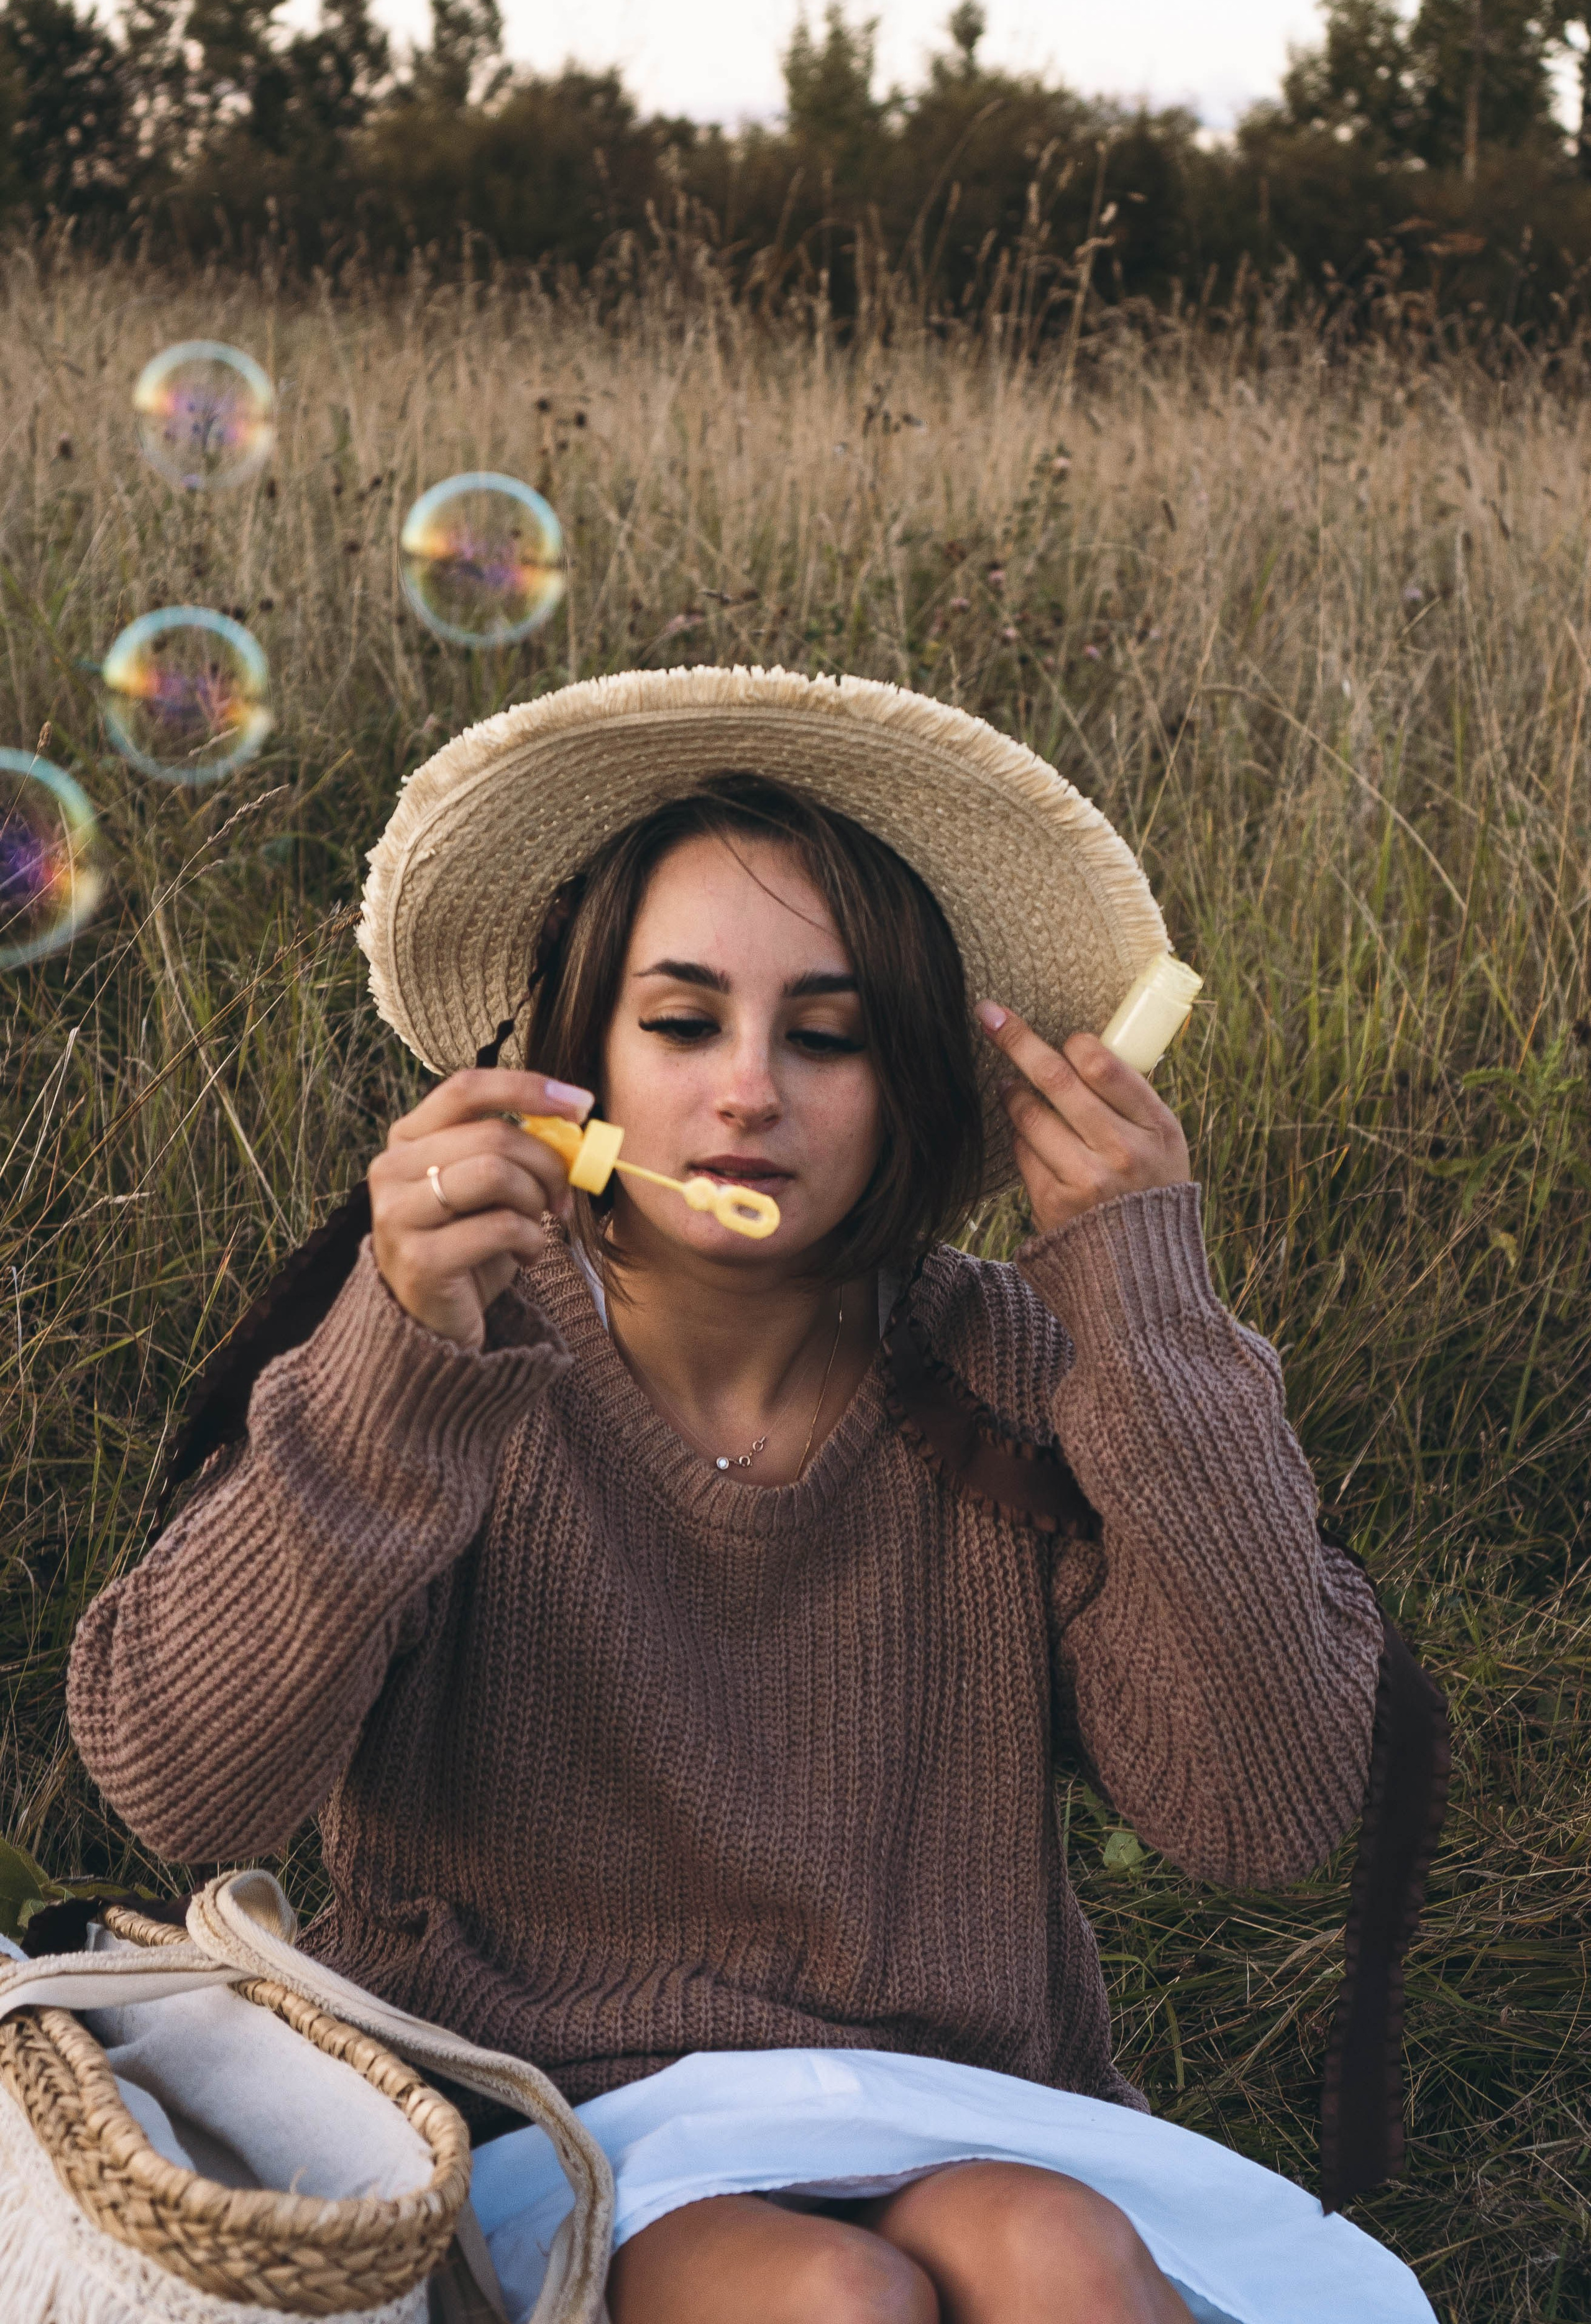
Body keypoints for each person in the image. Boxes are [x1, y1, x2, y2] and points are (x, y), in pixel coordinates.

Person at [67, 669, 1436, 2324]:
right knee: (830, 2301)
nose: (748, 1091)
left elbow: (1263, 1815)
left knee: (1056, 2255)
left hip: (957, 2108)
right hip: (542, 2114)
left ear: (914, 1082)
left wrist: (1143, 1314)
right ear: (579, 1057)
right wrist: (397, 1362)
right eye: (683, 1019)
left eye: (828, 1034)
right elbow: (182, 1791)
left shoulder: (1016, 1367)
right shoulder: (454, 1348)